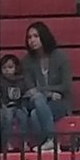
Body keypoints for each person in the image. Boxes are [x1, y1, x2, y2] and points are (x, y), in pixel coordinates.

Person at [22, 21, 72, 151]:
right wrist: (49, 93)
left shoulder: (60, 56)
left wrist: (41, 91)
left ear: (44, 37)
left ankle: (45, 144)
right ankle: (52, 140)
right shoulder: (27, 61)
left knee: (34, 115)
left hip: (59, 102)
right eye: (29, 37)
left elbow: (66, 86)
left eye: (36, 36)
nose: (32, 40)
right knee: (38, 99)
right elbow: (30, 89)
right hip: (38, 101)